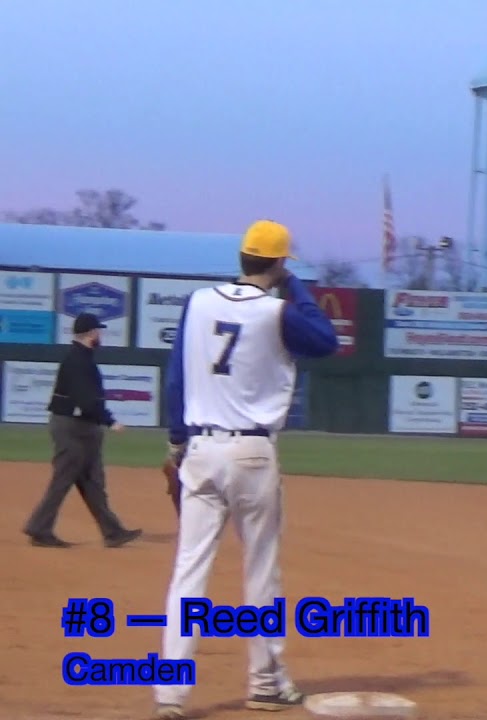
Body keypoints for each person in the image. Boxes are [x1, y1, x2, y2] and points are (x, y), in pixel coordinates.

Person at [151, 220, 339, 720]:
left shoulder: (196, 302)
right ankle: (264, 685)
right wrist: (290, 282)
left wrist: (175, 443)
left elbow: (177, 378)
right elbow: (326, 340)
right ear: (277, 263)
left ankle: (170, 696)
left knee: (187, 574)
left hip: (200, 449)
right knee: (260, 574)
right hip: (252, 455)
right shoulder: (278, 311)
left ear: (240, 257)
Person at [23, 312, 142, 549]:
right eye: (98, 330)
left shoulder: (82, 358)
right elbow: (86, 400)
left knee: (92, 482)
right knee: (64, 479)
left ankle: (113, 532)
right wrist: (109, 421)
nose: (101, 334)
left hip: (83, 427)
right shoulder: (78, 360)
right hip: (72, 427)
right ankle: (39, 528)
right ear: (91, 333)